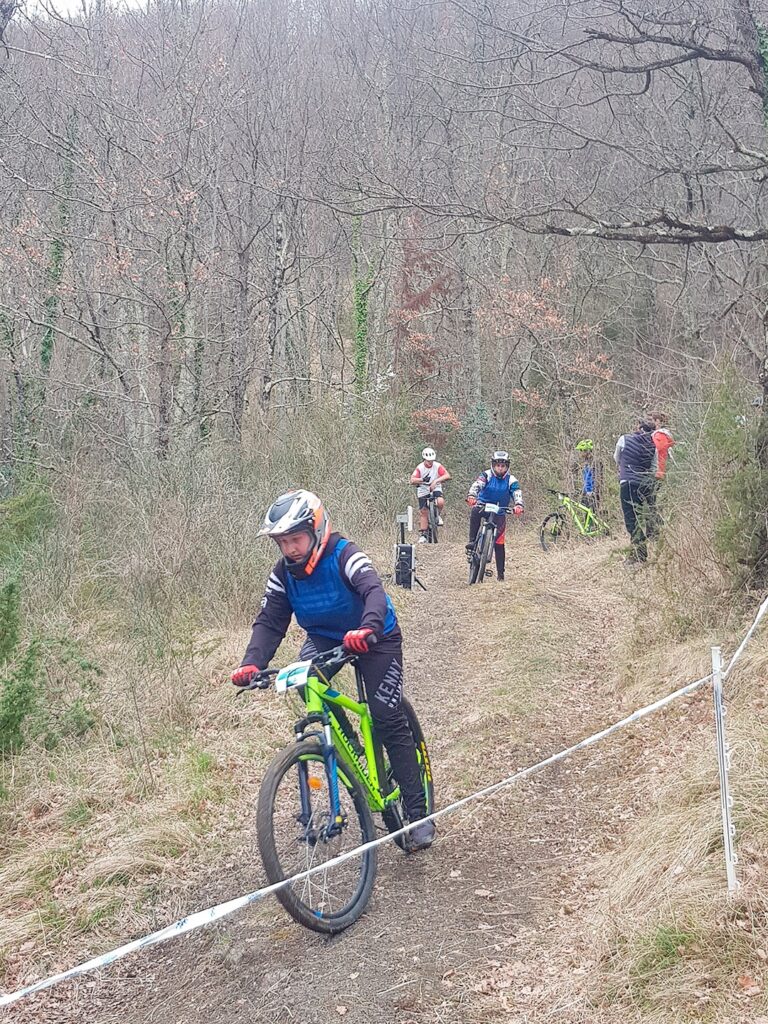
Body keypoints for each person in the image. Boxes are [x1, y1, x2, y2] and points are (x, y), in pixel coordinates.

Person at [231, 490, 435, 851]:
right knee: (303, 676)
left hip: (376, 636)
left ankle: (418, 814)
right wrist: (252, 663)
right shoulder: (282, 575)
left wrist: (368, 627)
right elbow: (269, 621)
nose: (290, 549)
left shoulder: (345, 555)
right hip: (325, 638)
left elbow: (373, 592)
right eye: (282, 542)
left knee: (386, 716)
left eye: (296, 539)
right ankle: (346, 741)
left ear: (317, 530)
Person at [465, 451, 524, 582]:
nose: (500, 468)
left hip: (500, 511)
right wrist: (472, 495)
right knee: (475, 511)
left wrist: (519, 505)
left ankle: (501, 575)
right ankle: (472, 541)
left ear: (507, 466)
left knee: (499, 543)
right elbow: (477, 485)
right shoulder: (486, 475)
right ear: (493, 465)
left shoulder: (511, 480)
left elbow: (517, 493)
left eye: (503, 466)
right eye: (497, 465)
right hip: (483, 506)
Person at [613, 420, 657, 563]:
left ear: (638, 428)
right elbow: (654, 466)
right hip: (644, 484)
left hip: (627, 483)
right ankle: (642, 549)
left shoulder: (624, 439)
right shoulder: (653, 444)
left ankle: (639, 553)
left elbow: (616, 458)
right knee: (642, 517)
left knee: (631, 520)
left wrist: (623, 467)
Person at [410, 447, 452, 543]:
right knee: (423, 511)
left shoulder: (437, 466)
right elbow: (412, 480)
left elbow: (447, 475)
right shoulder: (420, 467)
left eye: (432, 461)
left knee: (440, 501)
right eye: (428, 461)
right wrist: (422, 480)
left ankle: (437, 515)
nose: (430, 463)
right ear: (424, 459)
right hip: (423, 489)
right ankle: (424, 534)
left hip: (435, 487)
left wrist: (436, 481)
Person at [647, 411, 675, 538]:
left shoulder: (658, 436)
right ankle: (656, 530)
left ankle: (657, 530)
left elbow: (653, 451)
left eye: (652, 420)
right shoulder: (664, 436)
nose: (650, 423)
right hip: (660, 472)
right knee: (652, 502)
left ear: (658, 422)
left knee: (650, 503)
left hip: (656, 472)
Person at [574, 438, 602, 510]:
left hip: (592, 494)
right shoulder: (586, 464)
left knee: (592, 513)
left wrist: (594, 492)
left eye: (582, 451)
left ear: (587, 451)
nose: (580, 453)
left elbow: (597, 479)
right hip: (586, 493)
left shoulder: (595, 463)